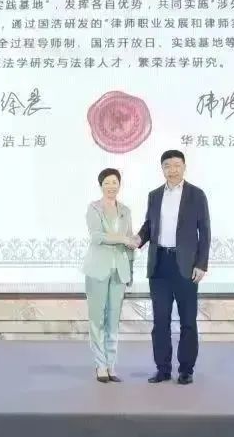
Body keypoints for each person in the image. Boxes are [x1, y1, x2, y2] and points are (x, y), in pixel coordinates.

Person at [135, 150, 210, 385]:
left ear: (184, 167)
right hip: (159, 265)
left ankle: (186, 369)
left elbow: (205, 232)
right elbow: (149, 225)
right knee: (160, 321)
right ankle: (163, 368)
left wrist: (201, 264)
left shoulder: (196, 194)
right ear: (162, 169)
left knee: (188, 321)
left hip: (186, 266)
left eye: (177, 165)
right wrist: (138, 239)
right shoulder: (154, 195)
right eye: (168, 166)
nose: (173, 170)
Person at [82, 168, 137, 383]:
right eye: (107, 182)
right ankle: (100, 365)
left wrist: (130, 270)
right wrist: (123, 239)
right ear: (101, 185)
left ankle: (111, 365)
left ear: (119, 185)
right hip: (97, 270)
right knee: (97, 318)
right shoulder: (94, 208)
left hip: (119, 271)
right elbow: (97, 237)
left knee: (113, 319)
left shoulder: (125, 210)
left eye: (115, 182)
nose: (111, 186)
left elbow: (131, 241)